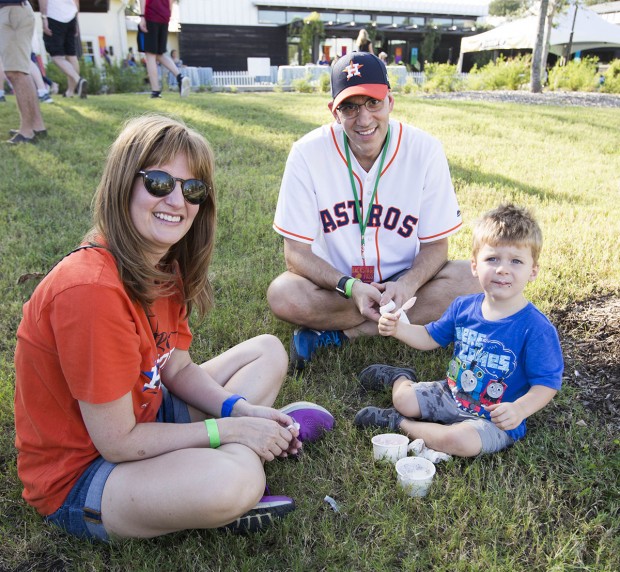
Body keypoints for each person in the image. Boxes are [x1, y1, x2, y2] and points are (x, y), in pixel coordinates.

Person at [14, 114, 335, 541]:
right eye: (160, 183)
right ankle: (243, 464)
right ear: (123, 183)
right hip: (84, 474)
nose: (177, 201)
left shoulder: (161, 264)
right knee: (235, 482)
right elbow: (117, 443)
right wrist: (233, 430)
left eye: (193, 190)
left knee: (268, 351)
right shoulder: (89, 290)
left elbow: (178, 370)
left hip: (145, 413)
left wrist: (242, 410)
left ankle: (261, 436)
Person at [267, 52, 480, 370]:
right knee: (283, 294)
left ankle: (342, 335)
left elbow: (437, 246)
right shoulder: (306, 153)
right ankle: (398, 323)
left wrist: (407, 284)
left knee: (475, 281)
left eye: (373, 103)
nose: (363, 119)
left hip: (406, 283)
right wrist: (350, 287)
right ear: (334, 112)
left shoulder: (425, 150)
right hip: (337, 285)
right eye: (350, 107)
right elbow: (295, 253)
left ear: (390, 102)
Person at [354, 204, 564, 457]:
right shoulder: (464, 307)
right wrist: (398, 328)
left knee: (461, 442)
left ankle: (398, 424)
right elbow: (429, 337)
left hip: (494, 419)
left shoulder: (536, 328)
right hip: (452, 393)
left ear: (533, 271)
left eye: (516, 261)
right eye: (492, 259)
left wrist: (518, 409)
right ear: (474, 266)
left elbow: (546, 384)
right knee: (403, 400)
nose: (502, 269)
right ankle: (400, 377)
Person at [1, 0, 47, 143]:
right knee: (20, 71)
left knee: (16, 72)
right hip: (14, 10)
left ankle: (27, 131)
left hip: (12, 11)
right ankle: (37, 126)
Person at [138, 0, 190, 98]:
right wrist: (168, 15)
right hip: (164, 17)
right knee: (159, 54)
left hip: (151, 15)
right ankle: (180, 77)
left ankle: (155, 91)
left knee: (150, 55)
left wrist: (142, 17)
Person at [40, 0, 87, 98]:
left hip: (54, 16)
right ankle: (70, 92)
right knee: (71, 55)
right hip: (71, 15)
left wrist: (44, 17)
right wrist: (76, 22)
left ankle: (78, 80)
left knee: (56, 56)